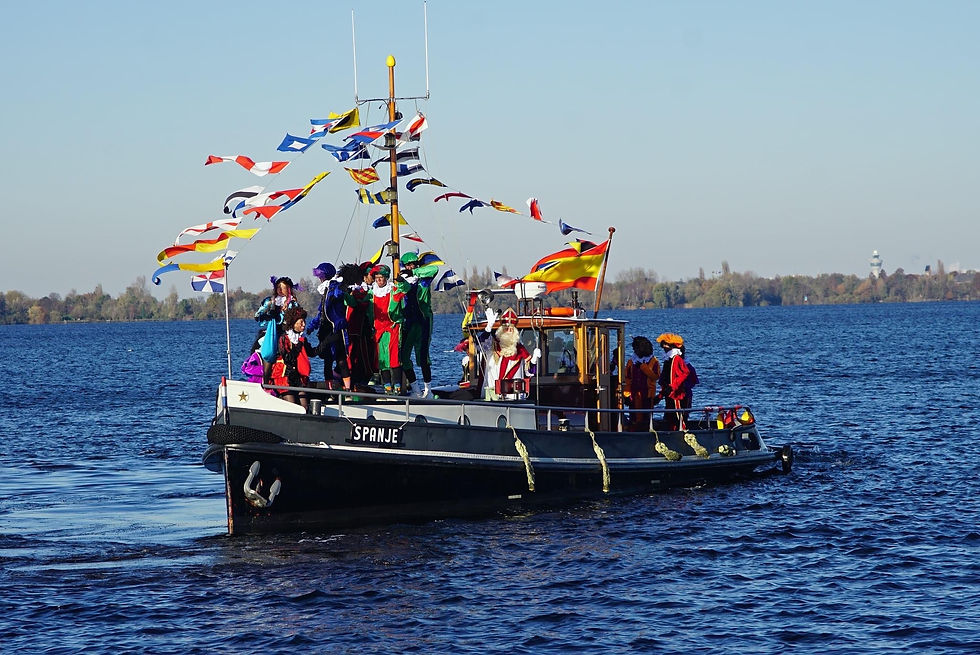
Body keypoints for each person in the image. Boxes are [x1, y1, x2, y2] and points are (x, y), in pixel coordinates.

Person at [396, 251, 439, 398]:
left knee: (422, 356)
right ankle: (415, 389)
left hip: (423, 320)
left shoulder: (424, 280)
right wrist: (401, 280)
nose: (410, 266)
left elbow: (435, 269)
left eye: (413, 264)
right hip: (408, 321)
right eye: (408, 265)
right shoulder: (403, 282)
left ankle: (429, 390)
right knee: (403, 356)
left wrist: (414, 272)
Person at [308, 262, 352, 392]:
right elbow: (321, 312)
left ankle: (347, 389)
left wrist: (340, 290)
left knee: (341, 360)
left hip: (336, 329)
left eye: (321, 275)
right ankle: (329, 390)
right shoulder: (325, 291)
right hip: (325, 329)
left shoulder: (335, 287)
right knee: (327, 361)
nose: (319, 278)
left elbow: (340, 295)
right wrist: (312, 326)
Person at [481, 307, 541, 401]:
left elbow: (529, 373)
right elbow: (480, 344)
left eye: (511, 329)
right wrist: (488, 327)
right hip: (492, 396)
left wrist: (534, 360)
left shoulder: (521, 350)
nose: (508, 331)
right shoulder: (492, 345)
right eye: (505, 328)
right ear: (501, 330)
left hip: (515, 398)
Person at [254, 276, 300, 384]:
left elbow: (297, 319)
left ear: (288, 289)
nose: (280, 290)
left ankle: (290, 383)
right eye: (278, 287)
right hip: (272, 333)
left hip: (287, 334)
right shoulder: (270, 301)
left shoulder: (293, 303)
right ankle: (266, 383)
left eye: (283, 287)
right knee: (267, 355)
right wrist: (269, 308)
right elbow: (257, 316)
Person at [369, 264, 404, 394]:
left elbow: (405, 289)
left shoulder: (393, 290)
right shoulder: (371, 293)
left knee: (394, 357)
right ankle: (387, 386)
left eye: (381, 277)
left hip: (392, 328)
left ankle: (398, 386)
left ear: (386, 278)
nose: (379, 280)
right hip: (378, 330)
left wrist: (402, 281)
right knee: (382, 359)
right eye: (377, 278)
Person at [274, 306, 317, 409]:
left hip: (299, 377)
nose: (304, 324)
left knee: (304, 406)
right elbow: (287, 357)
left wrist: (325, 344)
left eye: (304, 321)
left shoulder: (302, 339)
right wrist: (298, 346)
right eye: (301, 322)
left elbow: (312, 352)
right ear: (293, 323)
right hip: (285, 376)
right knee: (292, 407)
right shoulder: (284, 338)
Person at [655, 332, 698, 430]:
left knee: (678, 416)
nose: (664, 347)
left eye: (666, 344)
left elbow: (685, 372)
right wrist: (662, 393)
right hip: (670, 393)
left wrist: (673, 386)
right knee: (670, 416)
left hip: (676, 393)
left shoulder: (677, 358)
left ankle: (680, 432)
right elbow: (665, 376)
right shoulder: (669, 359)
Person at [345, 261, 377, 388]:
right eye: (371, 275)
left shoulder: (374, 289)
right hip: (358, 328)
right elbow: (353, 303)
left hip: (370, 328)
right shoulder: (357, 290)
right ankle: (358, 380)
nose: (373, 278)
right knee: (359, 354)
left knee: (370, 353)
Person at [623, 336, 660, 431]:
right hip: (634, 393)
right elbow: (627, 378)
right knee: (634, 415)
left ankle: (646, 432)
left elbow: (655, 376)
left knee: (646, 417)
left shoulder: (653, 361)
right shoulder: (631, 361)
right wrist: (626, 394)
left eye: (636, 348)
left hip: (647, 393)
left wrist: (643, 367)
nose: (635, 350)